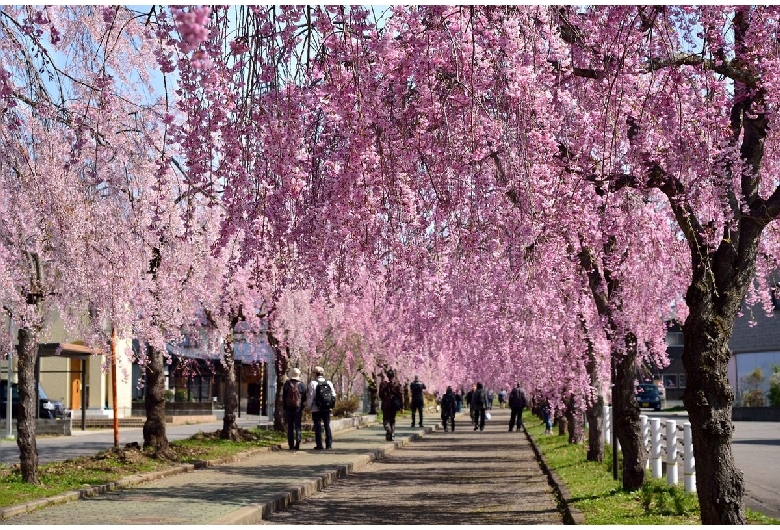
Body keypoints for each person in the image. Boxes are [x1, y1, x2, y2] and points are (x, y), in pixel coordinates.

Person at [306, 366, 335, 450]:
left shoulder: (313, 383)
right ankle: (329, 444)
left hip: (316, 408)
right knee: (327, 426)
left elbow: (311, 397)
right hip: (326, 408)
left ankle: (319, 445)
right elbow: (333, 395)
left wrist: (309, 407)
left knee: (317, 426)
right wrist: (330, 405)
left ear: (315, 373)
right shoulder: (329, 383)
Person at [282, 367, 307, 450]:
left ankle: (291, 444)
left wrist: (284, 406)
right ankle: (298, 441)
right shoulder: (302, 385)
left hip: (288, 408)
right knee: (298, 426)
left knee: (290, 426)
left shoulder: (287, 384)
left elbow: (284, 396)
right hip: (298, 408)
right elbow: (304, 397)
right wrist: (302, 406)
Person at [379, 368, 403, 441]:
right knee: (392, 420)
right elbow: (400, 396)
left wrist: (385, 398)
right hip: (394, 405)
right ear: (393, 375)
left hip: (386, 405)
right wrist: (402, 406)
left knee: (386, 420)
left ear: (387, 375)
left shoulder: (383, 384)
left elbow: (380, 395)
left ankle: (389, 431)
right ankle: (391, 433)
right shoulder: (397, 384)